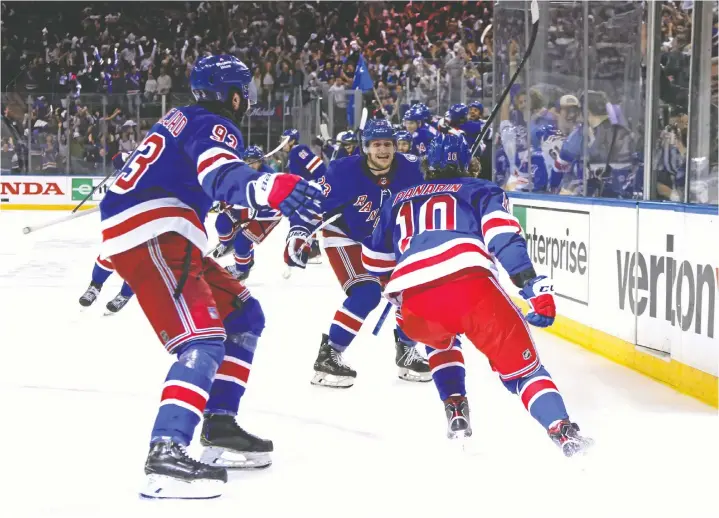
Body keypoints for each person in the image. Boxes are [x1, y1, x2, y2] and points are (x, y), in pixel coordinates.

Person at [98, 55, 323, 499]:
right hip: (156, 231)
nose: (248, 99)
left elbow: (214, 186)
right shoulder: (215, 125)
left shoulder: (182, 118)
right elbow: (219, 173)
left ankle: (218, 424)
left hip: (163, 231)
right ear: (234, 94)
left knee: (243, 314)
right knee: (201, 338)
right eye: (246, 90)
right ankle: (166, 452)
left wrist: (260, 194)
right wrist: (267, 186)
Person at [361, 133, 593, 457]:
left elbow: (373, 263)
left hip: (414, 301)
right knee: (524, 372)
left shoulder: (396, 199)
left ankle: (455, 406)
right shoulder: (481, 189)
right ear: (468, 164)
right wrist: (533, 287)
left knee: (440, 338)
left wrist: (400, 293)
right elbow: (504, 240)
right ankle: (562, 430)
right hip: (470, 285)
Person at [284, 118, 431, 388]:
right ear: (365, 148)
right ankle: (329, 356)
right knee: (367, 293)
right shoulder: (343, 171)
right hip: (344, 236)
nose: (383, 150)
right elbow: (314, 204)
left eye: (388, 144)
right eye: (376, 145)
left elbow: (443, 180)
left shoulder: (411, 168)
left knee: (413, 289)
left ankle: (407, 351)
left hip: (384, 241)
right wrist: (298, 233)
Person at [214, 146, 283, 281]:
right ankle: (228, 243)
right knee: (222, 222)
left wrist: (254, 211)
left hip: (267, 216)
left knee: (242, 241)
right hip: (248, 209)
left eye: (253, 161)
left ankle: (242, 269)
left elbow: (276, 205)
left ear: (260, 162)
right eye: (247, 160)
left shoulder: (269, 178)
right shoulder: (240, 171)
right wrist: (221, 199)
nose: (250, 164)